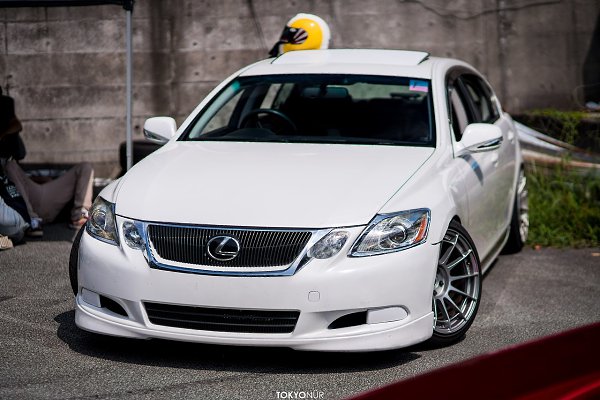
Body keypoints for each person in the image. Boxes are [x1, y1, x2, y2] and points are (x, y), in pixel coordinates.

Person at [0, 87, 94, 234]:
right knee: (10, 165)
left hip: (39, 193)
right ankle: (32, 220)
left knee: (85, 167)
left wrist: (2, 135)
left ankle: (79, 216)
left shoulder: (6, 109)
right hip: (21, 202)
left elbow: (16, 125)